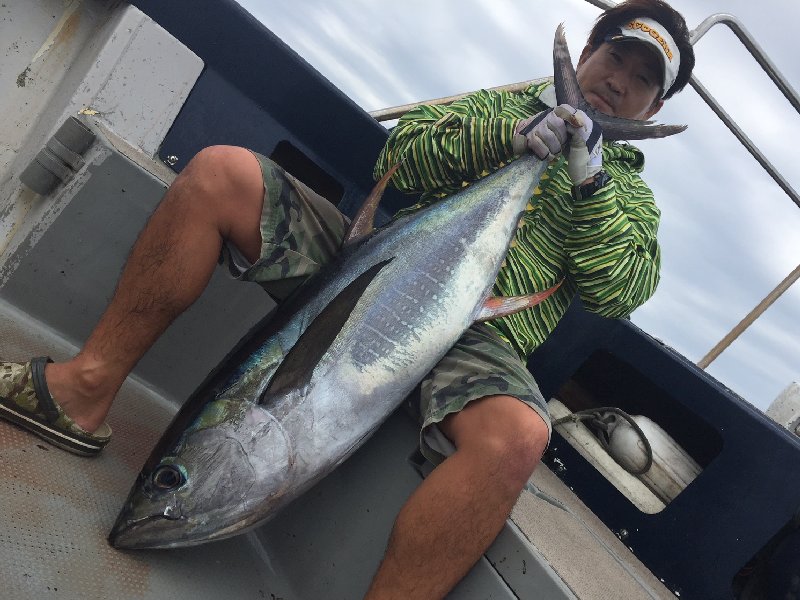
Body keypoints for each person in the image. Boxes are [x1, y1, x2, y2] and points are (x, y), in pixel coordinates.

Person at [0, 0, 694, 596]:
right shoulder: (501, 109)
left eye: (643, 80)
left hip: (482, 335)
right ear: (590, 53)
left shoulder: (630, 198)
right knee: (220, 174)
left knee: (518, 437)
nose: (618, 81)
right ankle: (81, 391)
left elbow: (618, 289)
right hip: (379, 268)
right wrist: (508, 139)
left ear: (654, 109)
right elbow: (400, 156)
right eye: (616, 57)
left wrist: (588, 178)